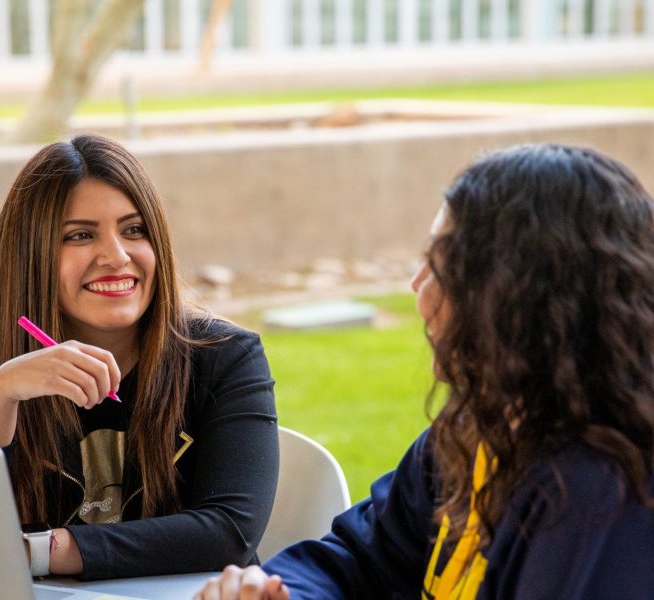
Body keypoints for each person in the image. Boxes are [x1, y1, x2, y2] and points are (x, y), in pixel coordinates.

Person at [194, 143, 654, 600]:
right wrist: (279, 593)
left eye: (439, 265)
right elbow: (358, 559)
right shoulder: (472, 434)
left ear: (519, 297)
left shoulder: (598, 496)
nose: (418, 287)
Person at [0, 134, 278, 581]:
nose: (116, 256)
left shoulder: (226, 356)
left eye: (134, 230)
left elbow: (229, 532)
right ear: (31, 254)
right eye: (80, 235)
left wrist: (44, 550)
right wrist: (1, 392)